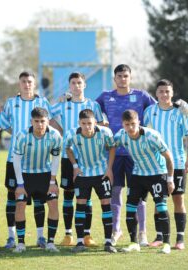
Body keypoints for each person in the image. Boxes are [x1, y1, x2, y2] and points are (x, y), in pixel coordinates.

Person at [96, 64, 156, 246]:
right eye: (119, 76)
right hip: (113, 152)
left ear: (130, 77)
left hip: (137, 154)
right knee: (115, 192)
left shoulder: (142, 96)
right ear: (114, 78)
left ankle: (142, 232)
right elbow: (89, 109)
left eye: (126, 76)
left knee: (137, 194)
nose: (123, 79)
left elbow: (158, 109)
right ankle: (116, 230)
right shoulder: (106, 96)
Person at [0, 71, 54, 249]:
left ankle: (40, 237)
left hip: (39, 160)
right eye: (23, 81)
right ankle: (11, 237)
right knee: (13, 198)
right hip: (14, 158)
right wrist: (18, 136)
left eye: (30, 81)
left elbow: (49, 124)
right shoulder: (11, 103)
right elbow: (5, 124)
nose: (27, 84)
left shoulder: (42, 102)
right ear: (19, 83)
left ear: (34, 83)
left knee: (39, 199)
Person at [51, 72, 105, 246]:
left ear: (84, 85)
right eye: (73, 83)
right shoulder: (63, 104)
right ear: (69, 86)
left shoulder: (93, 105)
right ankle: (68, 235)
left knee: (86, 197)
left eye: (79, 82)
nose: (76, 86)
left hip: (89, 158)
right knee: (68, 195)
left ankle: (87, 235)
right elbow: (48, 117)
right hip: (68, 156)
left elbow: (101, 125)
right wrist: (62, 132)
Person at [114, 110, 174, 254]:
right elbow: (109, 146)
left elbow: (168, 156)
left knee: (161, 207)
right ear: (123, 124)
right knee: (130, 207)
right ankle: (134, 242)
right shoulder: (121, 136)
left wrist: (170, 179)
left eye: (133, 124)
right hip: (138, 174)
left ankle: (166, 244)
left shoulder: (152, 136)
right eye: (127, 124)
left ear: (138, 122)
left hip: (157, 174)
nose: (130, 128)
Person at [144, 79, 188, 250]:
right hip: (157, 164)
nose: (164, 94)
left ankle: (180, 239)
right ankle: (159, 236)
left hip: (178, 163)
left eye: (167, 91)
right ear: (156, 94)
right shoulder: (150, 111)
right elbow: (143, 133)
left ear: (172, 93)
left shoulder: (181, 111)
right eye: (161, 91)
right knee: (159, 200)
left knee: (178, 199)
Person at [64, 109, 116, 253]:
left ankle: (108, 242)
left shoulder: (105, 132)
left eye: (90, 123)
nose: (87, 126)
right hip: (83, 175)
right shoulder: (72, 134)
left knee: (106, 205)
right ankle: (80, 242)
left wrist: (109, 168)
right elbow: (67, 148)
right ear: (79, 123)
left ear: (95, 122)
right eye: (84, 123)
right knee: (80, 206)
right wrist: (75, 166)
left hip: (102, 174)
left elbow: (112, 147)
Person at [12, 107, 62, 253]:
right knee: (20, 206)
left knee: (53, 204)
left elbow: (56, 159)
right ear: (31, 122)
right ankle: (20, 243)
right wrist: (20, 184)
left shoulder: (55, 135)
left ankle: (51, 242)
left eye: (43, 121)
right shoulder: (22, 136)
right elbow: (16, 161)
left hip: (46, 175)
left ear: (48, 121)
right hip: (26, 175)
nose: (40, 124)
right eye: (36, 121)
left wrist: (52, 182)